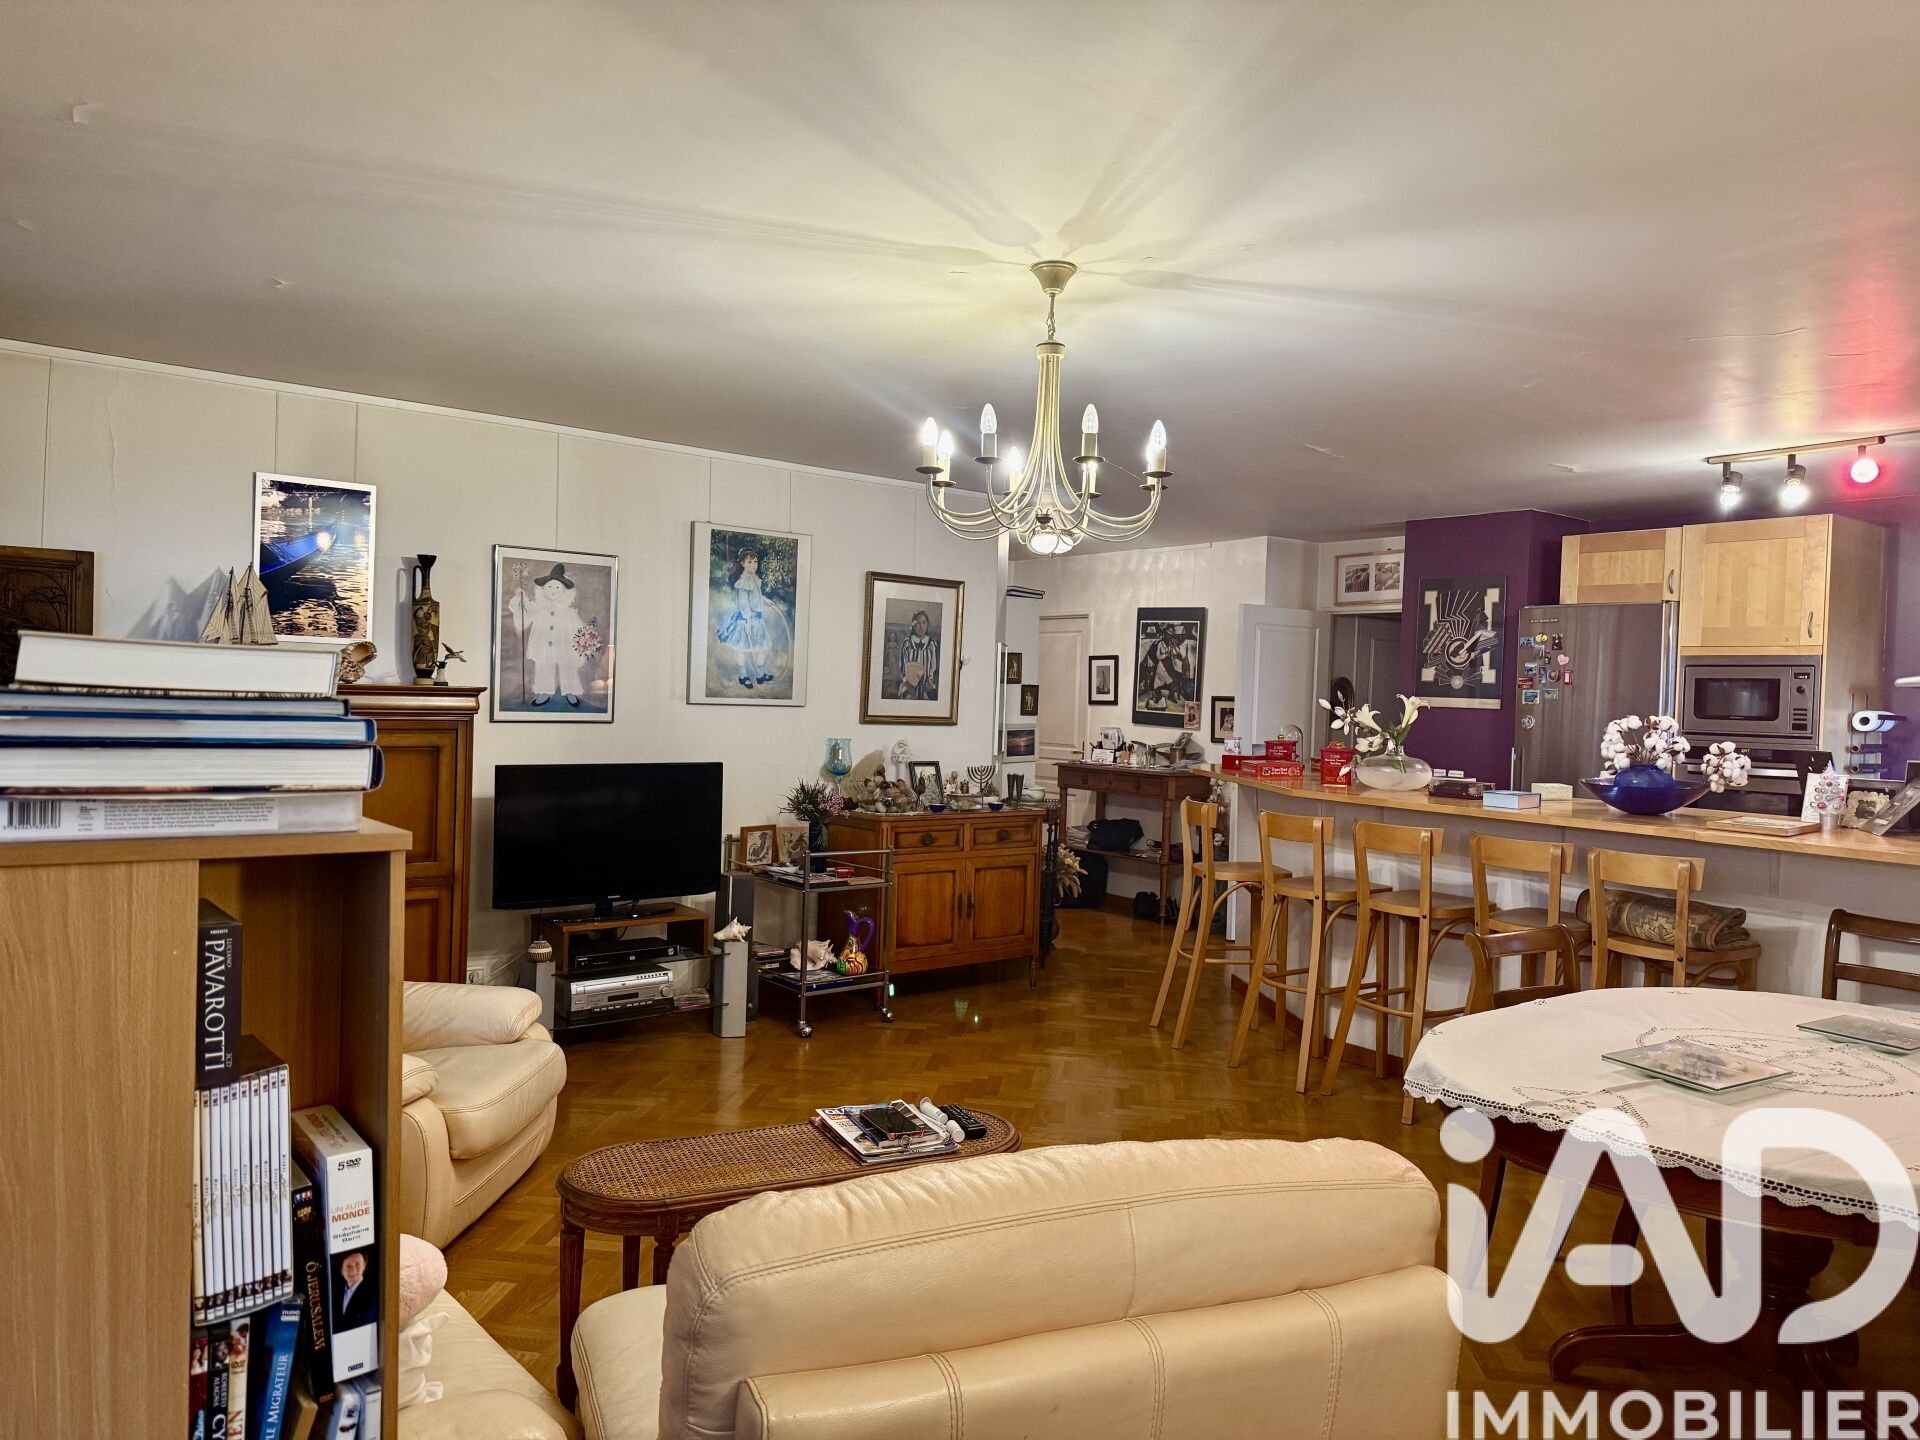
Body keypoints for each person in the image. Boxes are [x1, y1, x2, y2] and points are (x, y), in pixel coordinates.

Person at [508, 563, 588, 707]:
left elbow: (578, 627)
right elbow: (524, 614)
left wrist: (582, 639)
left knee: (568, 666)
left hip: (564, 644)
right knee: (543, 666)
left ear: (564, 591)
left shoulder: (568, 612)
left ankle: (570, 691)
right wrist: (521, 599)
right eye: (550, 587)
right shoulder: (538, 608)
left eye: (557, 588)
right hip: (543, 644)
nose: (553, 590)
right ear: (543, 589)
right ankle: (544, 691)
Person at [713, 546, 788, 690]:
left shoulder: (753, 578)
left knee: (761, 648)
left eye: (755, 562)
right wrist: (747, 621)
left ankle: (760, 674)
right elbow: (743, 604)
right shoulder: (743, 581)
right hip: (746, 621)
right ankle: (743, 676)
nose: (754, 565)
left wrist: (765, 600)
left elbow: (755, 596)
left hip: (757, 621)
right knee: (743, 649)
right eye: (750, 562)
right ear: (742, 564)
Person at [895, 609, 938, 699]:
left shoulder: (932, 644)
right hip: (909, 687)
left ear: (927, 624)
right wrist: (908, 684)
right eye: (918, 623)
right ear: (913, 625)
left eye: (924, 623)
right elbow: (902, 665)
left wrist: (930, 683)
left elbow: (934, 666)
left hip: (926, 688)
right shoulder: (906, 643)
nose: (921, 626)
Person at [335, 1249, 375, 1330]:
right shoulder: (336, 1292)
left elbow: (361, 1323)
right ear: (342, 1271)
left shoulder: (372, 1293)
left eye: (357, 1264)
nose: (353, 1270)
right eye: (349, 1266)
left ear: (364, 1266)